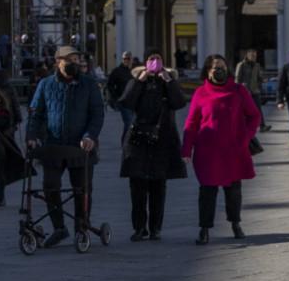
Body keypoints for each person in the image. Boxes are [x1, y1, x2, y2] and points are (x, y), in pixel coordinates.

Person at [26, 45, 105, 247]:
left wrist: (90, 136)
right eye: (70, 60)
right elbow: (36, 114)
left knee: (82, 189)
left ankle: (81, 227)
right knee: (50, 186)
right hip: (54, 146)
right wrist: (32, 136)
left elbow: (97, 114)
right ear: (58, 61)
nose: (75, 63)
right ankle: (59, 227)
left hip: (81, 147)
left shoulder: (89, 84)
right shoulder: (45, 84)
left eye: (77, 60)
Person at [181, 54, 261, 245]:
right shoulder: (201, 93)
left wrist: (245, 137)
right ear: (207, 71)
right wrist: (186, 150)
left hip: (233, 149)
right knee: (207, 190)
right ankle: (204, 228)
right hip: (207, 151)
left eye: (222, 67)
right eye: (215, 67)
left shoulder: (238, 90)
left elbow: (254, 116)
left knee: (233, 190)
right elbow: (191, 123)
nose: (219, 70)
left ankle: (235, 223)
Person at [117, 51, 187, 240]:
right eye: (150, 59)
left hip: (163, 137)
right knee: (137, 185)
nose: (154, 62)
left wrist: (168, 81)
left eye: (158, 59)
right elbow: (126, 102)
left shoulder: (169, 80)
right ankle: (139, 227)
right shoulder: (137, 80)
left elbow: (179, 102)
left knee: (158, 185)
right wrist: (140, 80)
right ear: (145, 62)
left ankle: (156, 227)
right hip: (138, 138)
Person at [234, 48, 271, 133]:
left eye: (255, 56)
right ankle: (241, 125)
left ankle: (262, 126)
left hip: (255, 91)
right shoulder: (241, 65)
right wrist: (238, 89)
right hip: (244, 91)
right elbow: (237, 78)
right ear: (247, 55)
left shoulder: (257, 65)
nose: (254, 57)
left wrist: (263, 80)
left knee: (258, 109)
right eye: (252, 55)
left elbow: (259, 77)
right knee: (243, 109)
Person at [106, 51, 136, 136]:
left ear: (131, 59)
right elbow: (110, 85)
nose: (126, 60)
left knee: (133, 124)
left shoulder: (134, 71)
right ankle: (125, 142)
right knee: (129, 123)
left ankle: (130, 143)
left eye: (128, 58)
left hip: (134, 101)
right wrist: (116, 97)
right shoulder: (117, 71)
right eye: (124, 59)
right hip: (124, 102)